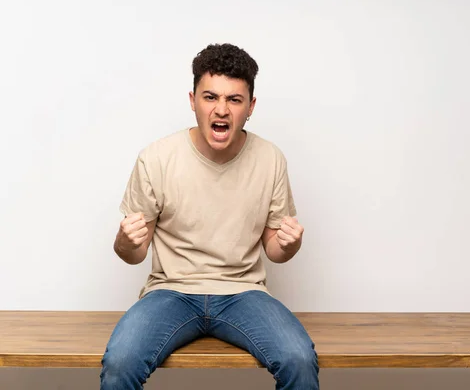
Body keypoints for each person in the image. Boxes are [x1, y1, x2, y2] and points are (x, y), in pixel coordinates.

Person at [100, 43, 319, 390]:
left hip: (243, 292)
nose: (221, 110)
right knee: (120, 362)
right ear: (192, 101)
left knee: (299, 359)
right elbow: (133, 254)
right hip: (171, 291)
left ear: (251, 107)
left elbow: (275, 249)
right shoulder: (156, 158)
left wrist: (290, 243)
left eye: (234, 99)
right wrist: (125, 241)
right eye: (210, 97)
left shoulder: (270, 158)